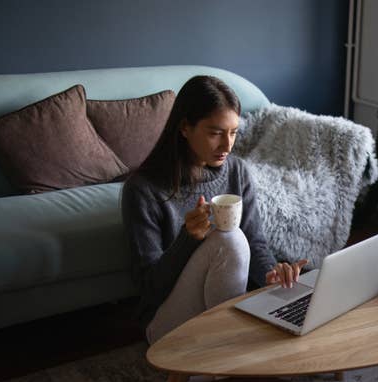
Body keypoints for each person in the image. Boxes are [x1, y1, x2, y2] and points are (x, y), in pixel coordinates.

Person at [121, 75, 307, 344]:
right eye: (215, 133)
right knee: (228, 238)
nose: (227, 145)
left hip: (216, 310)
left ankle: (221, 350)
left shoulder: (237, 172)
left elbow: (254, 242)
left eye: (233, 133)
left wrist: (271, 275)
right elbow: (150, 288)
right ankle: (224, 352)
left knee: (238, 242)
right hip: (165, 322)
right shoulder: (143, 189)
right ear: (185, 128)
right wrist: (188, 238)